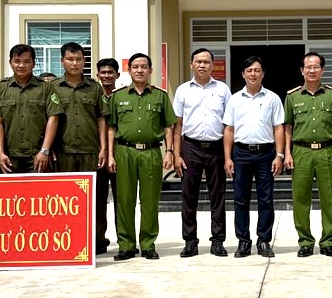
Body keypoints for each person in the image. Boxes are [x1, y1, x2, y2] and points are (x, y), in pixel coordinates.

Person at [107, 52, 175, 260]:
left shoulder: (160, 96)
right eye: (135, 66)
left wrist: (169, 152)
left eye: (143, 67)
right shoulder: (118, 97)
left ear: (150, 70)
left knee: (149, 200)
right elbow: (111, 127)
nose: (139, 70)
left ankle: (147, 244)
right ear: (129, 70)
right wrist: (110, 155)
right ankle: (126, 245)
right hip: (124, 151)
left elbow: (168, 127)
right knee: (125, 199)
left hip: (151, 152)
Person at [284, 52, 332, 257]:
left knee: (329, 198)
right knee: (301, 198)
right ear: (302, 70)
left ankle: (328, 241)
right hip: (301, 151)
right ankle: (305, 242)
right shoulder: (292, 97)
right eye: (308, 67)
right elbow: (288, 126)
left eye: (316, 67)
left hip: (326, 152)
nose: (312, 70)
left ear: (322, 70)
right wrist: (287, 153)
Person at [223, 55, 285, 258]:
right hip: (240, 153)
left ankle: (264, 241)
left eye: (257, 70)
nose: (253, 74)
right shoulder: (234, 99)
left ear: (263, 73)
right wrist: (228, 158)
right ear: (243, 74)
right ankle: (243, 241)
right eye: (249, 70)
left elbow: (278, 128)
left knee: (265, 199)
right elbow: (229, 130)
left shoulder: (272, 98)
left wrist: (279, 155)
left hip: (266, 154)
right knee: (241, 200)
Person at [173, 48, 231, 258]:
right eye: (198, 61)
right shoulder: (182, 90)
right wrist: (177, 154)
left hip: (215, 147)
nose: (202, 65)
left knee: (218, 196)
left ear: (213, 65)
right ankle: (190, 241)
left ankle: (218, 241)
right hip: (191, 147)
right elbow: (177, 125)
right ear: (191, 64)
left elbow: (228, 125)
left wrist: (227, 156)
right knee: (189, 196)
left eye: (206, 62)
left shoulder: (223, 90)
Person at [0, 44, 62, 173]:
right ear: (10, 63)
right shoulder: (0, 88)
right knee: (10, 193)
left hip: (37, 156)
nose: (21, 65)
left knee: (39, 192)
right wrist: (0, 153)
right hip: (9, 156)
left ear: (34, 63)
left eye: (26, 62)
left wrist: (44, 151)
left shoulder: (45, 88)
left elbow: (54, 119)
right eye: (17, 61)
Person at [53, 40, 109, 191]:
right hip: (62, 150)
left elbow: (101, 118)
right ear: (62, 61)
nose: (74, 63)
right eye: (70, 59)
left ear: (84, 61)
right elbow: (49, 120)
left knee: (89, 193)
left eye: (78, 59)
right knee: (64, 193)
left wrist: (103, 148)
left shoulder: (95, 87)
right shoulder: (52, 87)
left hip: (89, 150)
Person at [94, 57, 121, 254]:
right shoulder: (93, 94)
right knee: (98, 199)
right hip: (97, 154)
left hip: (120, 153)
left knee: (122, 198)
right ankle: (98, 239)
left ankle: (125, 239)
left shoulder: (123, 96)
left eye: (110, 72)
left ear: (117, 75)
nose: (106, 76)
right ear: (97, 75)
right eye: (103, 72)